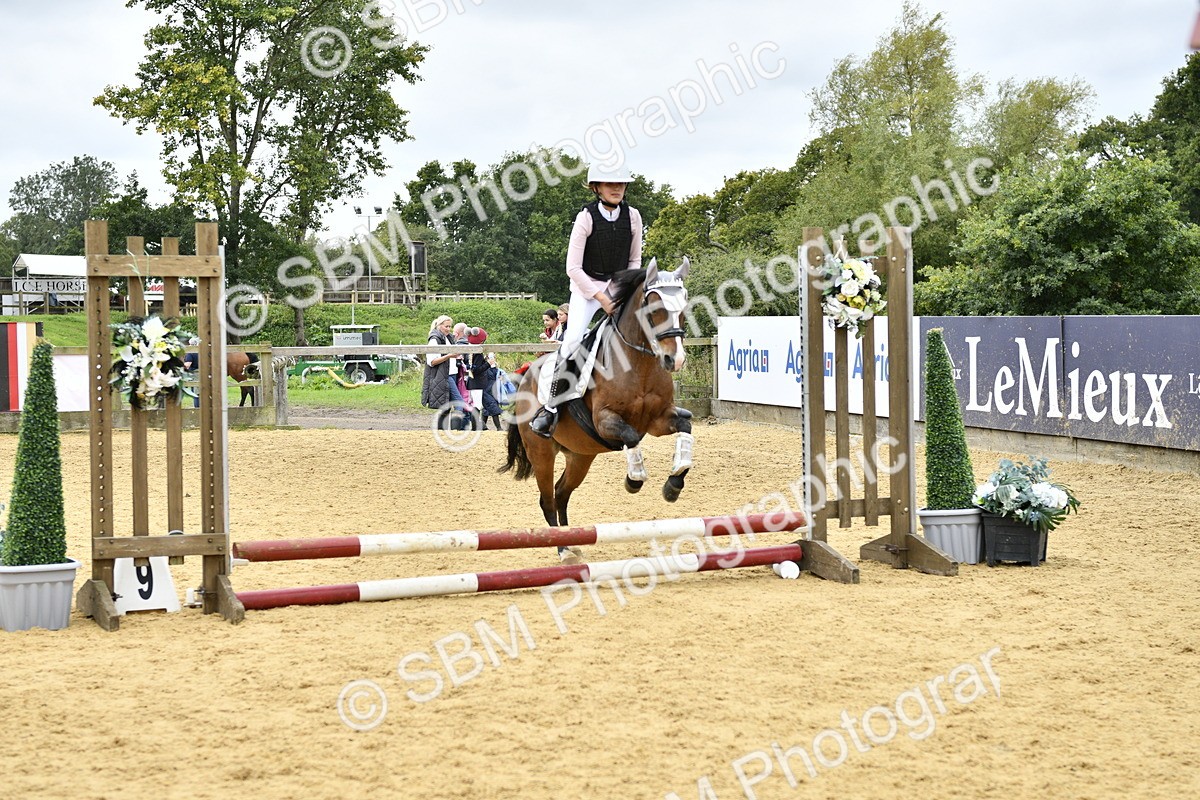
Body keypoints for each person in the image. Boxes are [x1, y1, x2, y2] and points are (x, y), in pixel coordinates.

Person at [529, 163, 643, 437]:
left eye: (621, 184)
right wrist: (601, 297)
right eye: (610, 184)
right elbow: (573, 268)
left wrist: (624, 290)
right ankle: (551, 408)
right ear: (596, 187)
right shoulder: (586, 218)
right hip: (586, 288)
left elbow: (635, 260)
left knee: (641, 330)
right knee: (572, 342)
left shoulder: (634, 217)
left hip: (618, 285)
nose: (617, 188)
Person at [421, 314, 466, 430]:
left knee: (446, 406)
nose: (448, 329)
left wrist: (454, 357)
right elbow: (432, 361)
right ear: (439, 326)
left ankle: (441, 430)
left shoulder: (448, 338)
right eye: (446, 326)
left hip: (452, 373)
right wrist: (449, 356)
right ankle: (456, 430)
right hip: (445, 375)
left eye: (450, 326)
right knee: (459, 403)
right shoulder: (434, 340)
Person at [464, 327, 503, 430]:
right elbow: (476, 370)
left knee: (478, 404)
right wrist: (488, 364)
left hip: (473, 382)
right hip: (478, 382)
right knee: (477, 405)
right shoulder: (477, 353)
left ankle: (479, 426)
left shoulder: (469, 350)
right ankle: (475, 427)